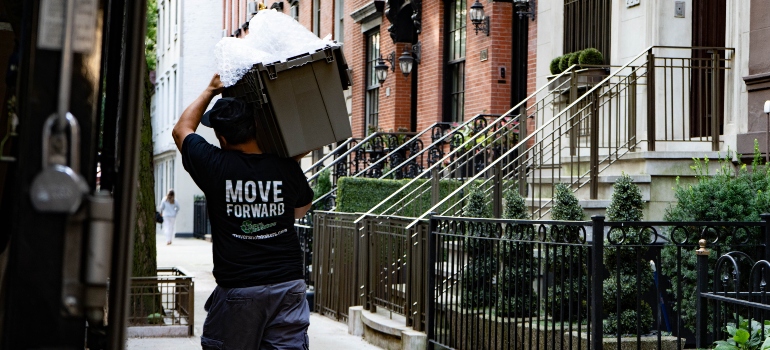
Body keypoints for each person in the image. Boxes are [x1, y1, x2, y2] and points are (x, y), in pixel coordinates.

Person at [173, 74, 313, 350]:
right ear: (255, 126)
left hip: (240, 289)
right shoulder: (285, 166)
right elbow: (301, 209)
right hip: (288, 285)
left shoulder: (213, 164)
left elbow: (181, 130)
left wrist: (211, 89)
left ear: (222, 138)